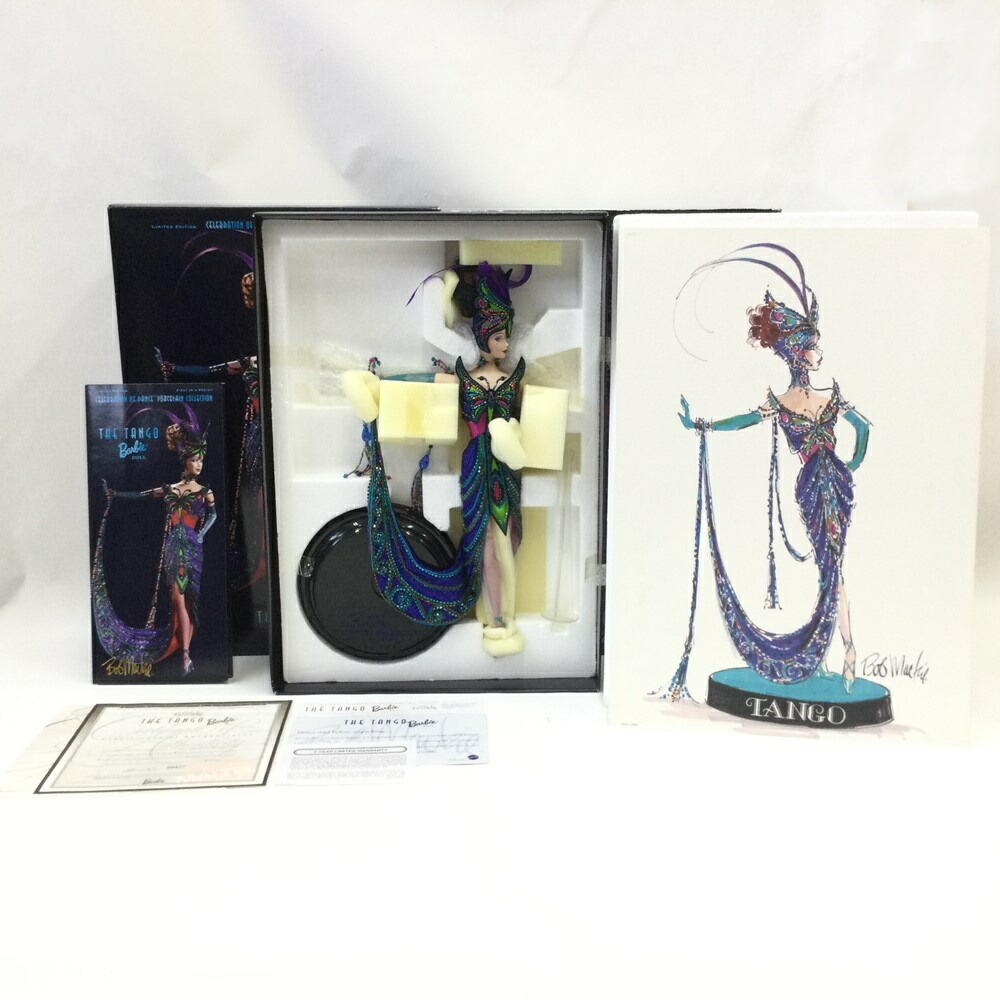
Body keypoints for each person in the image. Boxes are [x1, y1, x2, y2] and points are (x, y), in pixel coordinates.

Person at [656, 245, 870, 701]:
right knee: (830, 564)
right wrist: (705, 424)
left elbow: (862, 427)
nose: (818, 353)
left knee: (832, 565)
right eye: (812, 347)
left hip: (826, 483)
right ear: (798, 353)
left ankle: (845, 649)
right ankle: (835, 651)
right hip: (823, 483)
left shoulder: (805, 400)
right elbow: (858, 428)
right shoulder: (809, 399)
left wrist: (849, 464)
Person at [346, 261, 533, 657]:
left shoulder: (515, 379)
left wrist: (513, 436)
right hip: (477, 462)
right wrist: (378, 389)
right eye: (498, 336)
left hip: (506, 465)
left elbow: (531, 414)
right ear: (482, 337)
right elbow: (419, 384)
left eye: (507, 336)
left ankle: (497, 609)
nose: (505, 344)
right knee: (486, 539)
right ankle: (498, 620)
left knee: (511, 535)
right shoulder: (463, 378)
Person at [92, 416, 217, 675]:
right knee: (177, 600)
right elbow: (142, 495)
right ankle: (185, 654)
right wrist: (116, 495)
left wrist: (202, 534)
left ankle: (185, 654)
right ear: (185, 461)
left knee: (186, 601)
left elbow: (213, 515)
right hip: (174, 547)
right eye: (195, 460)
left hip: (193, 548)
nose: (199, 464)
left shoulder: (204, 491)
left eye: (201, 460)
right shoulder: (170, 489)